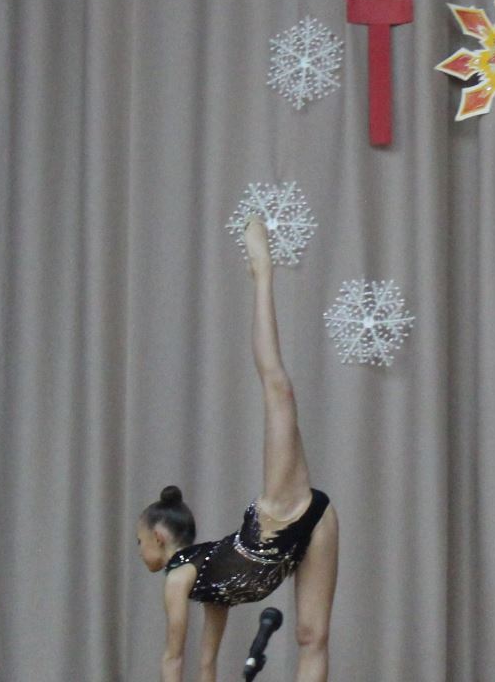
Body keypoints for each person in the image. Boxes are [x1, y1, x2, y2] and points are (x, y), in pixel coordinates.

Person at [136, 218, 339, 682]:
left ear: (160, 537)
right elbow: (205, 663)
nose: (139, 550)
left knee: (278, 390)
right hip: (314, 523)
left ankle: (262, 275)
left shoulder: (180, 576)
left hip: (277, 519)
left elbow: (173, 659)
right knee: (311, 636)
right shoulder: (206, 586)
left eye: (140, 541)